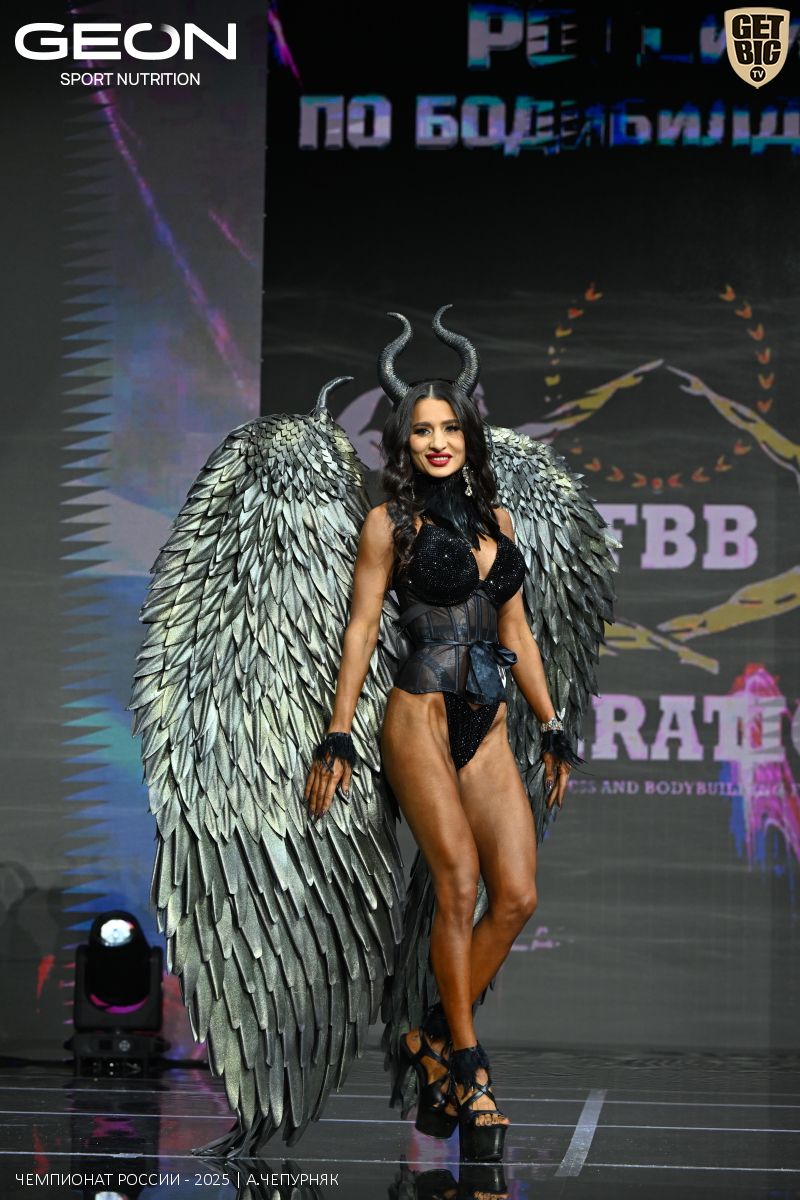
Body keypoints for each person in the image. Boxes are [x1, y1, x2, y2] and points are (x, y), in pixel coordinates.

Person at [304, 313, 580, 1162]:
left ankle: (429, 1034)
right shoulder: (388, 523)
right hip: (419, 712)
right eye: (421, 430)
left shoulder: (498, 519)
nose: (436, 442)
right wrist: (339, 733)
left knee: (518, 897)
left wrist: (552, 723)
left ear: (468, 435)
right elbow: (361, 629)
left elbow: (517, 630)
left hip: (488, 722)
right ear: (403, 441)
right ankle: (468, 1065)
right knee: (457, 883)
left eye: (449, 428)